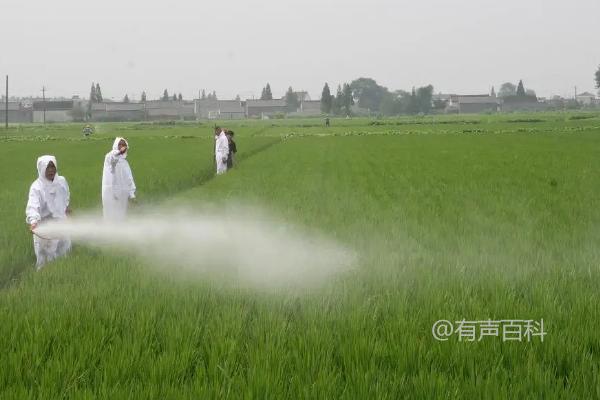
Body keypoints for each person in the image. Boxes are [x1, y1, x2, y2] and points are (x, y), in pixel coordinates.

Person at [25, 155, 72, 270]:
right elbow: (33, 205)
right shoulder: (37, 187)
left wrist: (66, 208)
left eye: (53, 167)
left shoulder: (61, 181)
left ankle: (63, 275)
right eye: (47, 167)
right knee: (45, 260)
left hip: (61, 223)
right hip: (45, 225)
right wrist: (34, 221)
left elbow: (65, 196)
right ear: (41, 169)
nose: (51, 170)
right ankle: (45, 278)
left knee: (63, 252)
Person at [102, 137, 136, 220]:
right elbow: (113, 156)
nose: (122, 146)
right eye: (119, 144)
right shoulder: (109, 157)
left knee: (121, 214)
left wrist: (132, 194)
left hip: (122, 192)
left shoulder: (125, 163)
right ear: (115, 145)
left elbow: (129, 179)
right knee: (110, 213)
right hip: (110, 191)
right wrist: (119, 152)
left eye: (124, 144)